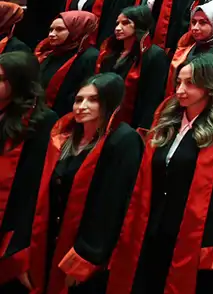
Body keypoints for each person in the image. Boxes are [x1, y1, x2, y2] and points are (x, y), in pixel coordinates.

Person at [105, 55, 213, 294]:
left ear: (210, 84)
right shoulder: (167, 116)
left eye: (190, 83)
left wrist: (211, 242)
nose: (180, 90)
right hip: (152, 225)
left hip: (191, 232)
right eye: (178, 82)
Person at [26, 74, 143, 294]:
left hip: (90, 251)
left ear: (111, 102)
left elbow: (111, 205)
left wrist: (84, 259)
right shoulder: (65, 137)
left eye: (93, 100)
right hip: (53, 240)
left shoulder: (123, 140)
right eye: (79, 100)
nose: (82, 106)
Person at [0, 51, 58, 286]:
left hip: (10, 220)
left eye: (1, 78)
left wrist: (19, 246)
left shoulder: (41, 121)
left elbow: (34, 185)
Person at [96, 5, 170, 128]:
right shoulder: (110, 52)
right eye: (117, 23)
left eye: (125, 23)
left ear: (139, 24)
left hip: (133, 120)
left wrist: (143, 128)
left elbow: (152, 96)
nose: (118, 28)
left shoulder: (154, 55)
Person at [35, 11, 99, 113]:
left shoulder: (90, 56)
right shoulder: (49, 53)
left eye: (59, 30)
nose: (52, 34)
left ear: (77, 30)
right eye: (51, 30)